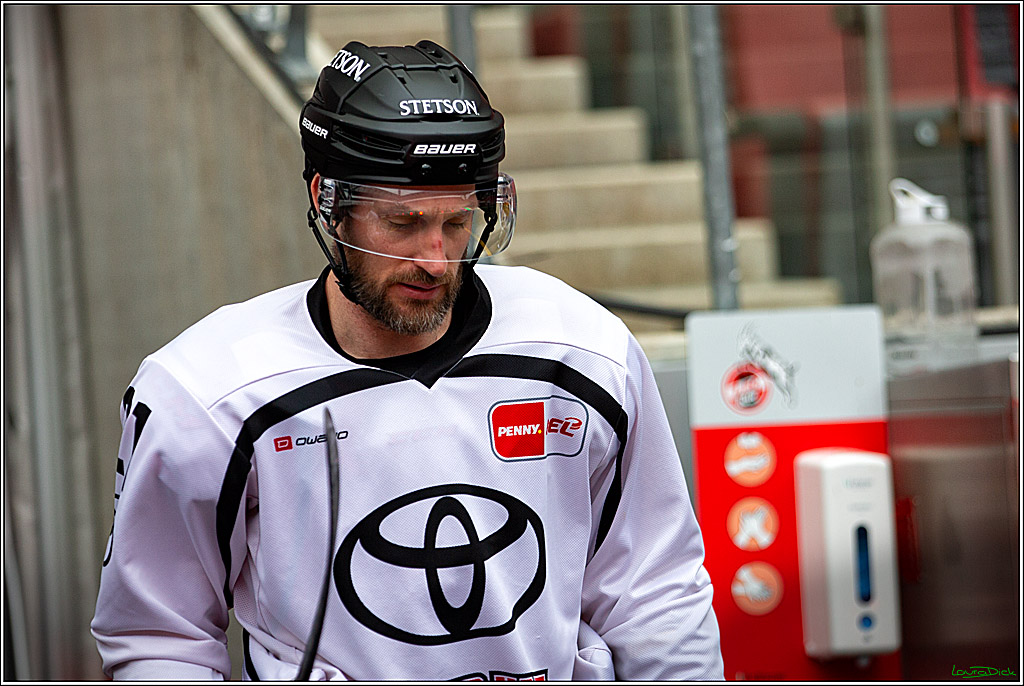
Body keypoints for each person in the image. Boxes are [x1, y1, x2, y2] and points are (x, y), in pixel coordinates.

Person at [91, 40, 724, 680]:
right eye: (402, 221)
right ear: (325, 198)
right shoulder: (207, 393)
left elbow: (655, 593)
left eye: (456, 223)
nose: (433, 258)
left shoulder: (584, 351)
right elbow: (157, 636)